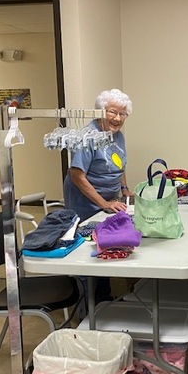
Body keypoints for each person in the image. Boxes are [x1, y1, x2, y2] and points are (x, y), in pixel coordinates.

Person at [63, 88, 134, 303]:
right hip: (86, 203)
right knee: (88, 250)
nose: (118, 118)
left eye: (123, 114)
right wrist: (104, 203)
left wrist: (124, 190)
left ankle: (104, 298)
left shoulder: (118, 136)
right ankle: (89, 305)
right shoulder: (88, 137)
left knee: (106, 244)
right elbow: (77, 175)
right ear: (100, 111)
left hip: (110, 201)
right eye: (113, 112)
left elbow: (118, 164)